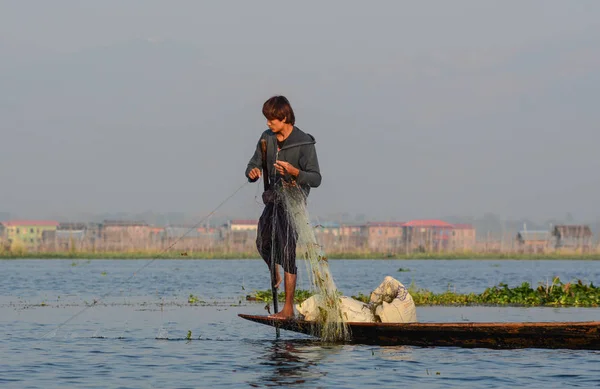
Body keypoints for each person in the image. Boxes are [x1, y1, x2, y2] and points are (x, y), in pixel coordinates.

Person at [245, 95, 322, 319]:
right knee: (262, 242)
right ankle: (273, 269)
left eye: (272, 119)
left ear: (285, 117)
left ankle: (287, 309)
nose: (268, 123)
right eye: (267, 119)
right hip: (273, 199)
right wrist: (252, 172)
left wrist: (294, 172)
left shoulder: (304, 142)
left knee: (288, 251)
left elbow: (316, 178)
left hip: (293, 202)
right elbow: (253, 163)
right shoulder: (266, 139)